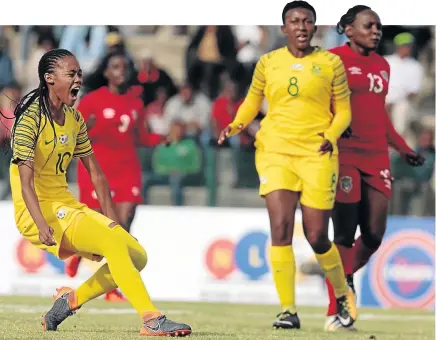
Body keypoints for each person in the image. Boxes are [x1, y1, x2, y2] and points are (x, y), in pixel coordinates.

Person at [8, 48, 191, 336]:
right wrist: (41, 224)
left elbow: (96, 174)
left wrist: (112, 222)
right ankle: (150, 318)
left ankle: (70, 301)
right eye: (71, 74)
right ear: (49, 78)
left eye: (79, 73)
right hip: (38, 211)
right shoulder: (30, 121)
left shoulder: (74, 119)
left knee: (137, 255)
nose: (78, 79)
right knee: (114, 244)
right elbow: (25, 182)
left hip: (66, 205)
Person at [218, 0, 357, 330]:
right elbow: (253, 101)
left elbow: (345, 111)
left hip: (317, 154)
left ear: (315, 26)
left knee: (317, 235)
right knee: (279, 228)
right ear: (284, 29)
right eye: (294, 21)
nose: (301, 27)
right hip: (275, 151)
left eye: (307, 21)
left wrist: (332, 135)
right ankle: (288, 311)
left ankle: (342, 292)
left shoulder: (330, 63)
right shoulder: (268, 62)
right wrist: (236, 124)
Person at [324, 5, 426, 332]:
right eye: (369, 25)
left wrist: (404, 148)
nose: (376, 31)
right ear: (349, 29)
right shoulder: (332, 60)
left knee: (374, 234)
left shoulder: (382, 64)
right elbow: (321, 103)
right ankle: (337, 305)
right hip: (345, 154)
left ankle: (346, 276)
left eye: (379, 26)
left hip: (376, 156)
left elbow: (379, 114)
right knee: (343, 232)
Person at [64, 51, 162, 302]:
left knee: (124, 229)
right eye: (115, 67)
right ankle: (79, 252)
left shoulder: (135, 103)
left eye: (125, 67)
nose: (121, 71)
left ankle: (112, 288)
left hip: (128, 171)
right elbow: (75, 140)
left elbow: (141, 138)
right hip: (98, 171)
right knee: (104, 228)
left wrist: (164, 138)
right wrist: (91, 127)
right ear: (106, 72)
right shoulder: (91, 101)